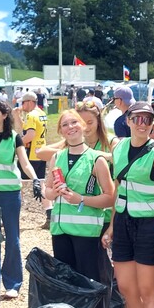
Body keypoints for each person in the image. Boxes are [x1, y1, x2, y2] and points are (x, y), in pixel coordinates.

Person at [102, 101, 154, 308]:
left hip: (149, 225)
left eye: (147, 119)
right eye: (137, 119)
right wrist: (112, 227)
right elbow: (118, 190)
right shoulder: (119, 148)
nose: (142, 124)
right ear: (128, 121)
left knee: (148, 291)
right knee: (126, 287)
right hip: (124, 222)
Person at [41, 110, 115, 286]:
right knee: (66, 283)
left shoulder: (96, 159)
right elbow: (48, 191)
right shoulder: (57, 157)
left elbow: (110, 198)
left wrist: (80, 199)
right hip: (60, 231)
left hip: (86, 233)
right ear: (60, 131)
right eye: (65, 125)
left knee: (89, 283)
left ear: (83, 126)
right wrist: (55, 192)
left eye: (74, 122)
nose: (70, 127)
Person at [0, 99, 41, 299]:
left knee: (13, 238)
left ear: (4, 115)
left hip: (9, 194)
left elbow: (25, 163)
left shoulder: (15, 138)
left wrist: (35, 180)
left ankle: (13, 283)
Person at [17, 91, 53, 226]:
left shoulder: (31, 115)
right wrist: (17, 116)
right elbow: (28, 129)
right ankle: (49, 214)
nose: (22, 105)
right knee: (41, 183)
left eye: (23, 102)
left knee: (17, 183)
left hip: (30, 154)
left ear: (30, 102)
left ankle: (13, 214)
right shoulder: (42, 114)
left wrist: (18, 144)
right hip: (41, 152)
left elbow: (30, 135)